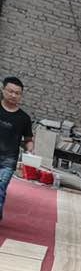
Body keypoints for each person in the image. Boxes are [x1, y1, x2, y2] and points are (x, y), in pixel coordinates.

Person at [0, 76, 34, 221]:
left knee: (0, 188)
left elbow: (28, 139)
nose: (13, 95)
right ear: (3, 90)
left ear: (21, 95)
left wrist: (30, 151)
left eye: (17, 93)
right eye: (10, 91)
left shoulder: (24, 118)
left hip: (8, 160)